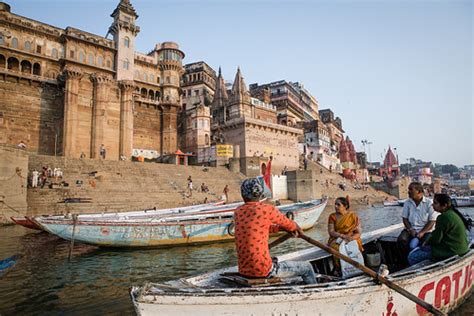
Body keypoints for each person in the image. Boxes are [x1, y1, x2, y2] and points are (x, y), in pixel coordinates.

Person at [234, 178, 316, 284]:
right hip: (263, 270)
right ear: (260, 194)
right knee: (307, 267)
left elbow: (258, 228)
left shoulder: (238, 211)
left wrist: (280, 229)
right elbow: (289, 224)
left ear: (243, 195)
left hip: (244, 269)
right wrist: (296, 228)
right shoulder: (267, 209)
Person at [408, 193, 470, 266]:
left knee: (412, 256)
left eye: (435, 203)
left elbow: (436, 239)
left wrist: (426, 243)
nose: (432, 205)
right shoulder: (452, 214)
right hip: (461, 249)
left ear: (444, 205)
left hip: (452, 251)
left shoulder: (443, 217)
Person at [397, 182, 438, 265]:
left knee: (427, 243)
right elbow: (405, 219)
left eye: (411, 190)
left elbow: (432, 221)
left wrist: (422, 232)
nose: (408, 192)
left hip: (426, 230)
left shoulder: (429, 203)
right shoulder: (407, 203)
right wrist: (411, 229)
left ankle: (422, 263)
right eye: (408, 190)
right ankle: (404, 262)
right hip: (411, 229)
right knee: (401, 240)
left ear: (419, 192)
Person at [327, 196, 363, 275]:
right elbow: (331, 232)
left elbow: (358, 233)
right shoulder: (332, 216)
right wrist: (343, 236)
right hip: (336, 238)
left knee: (357, 243)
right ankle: (339, 269)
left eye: (338, 205)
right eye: (335, 204)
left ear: (345, 206)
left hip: (350, 237)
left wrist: (351, 238)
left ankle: (357, 268)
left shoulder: (353, 216)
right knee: (336, 248)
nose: (336, 206)